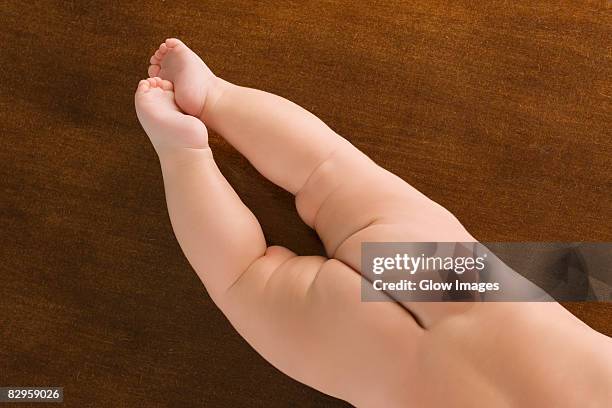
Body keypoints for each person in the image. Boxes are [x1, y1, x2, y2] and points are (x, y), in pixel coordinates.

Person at [134, 38, 612, 407]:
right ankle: (182, 153)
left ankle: (214, 95)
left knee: (328, 170)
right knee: (243, 276)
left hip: (451, 280)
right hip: (379, 363)